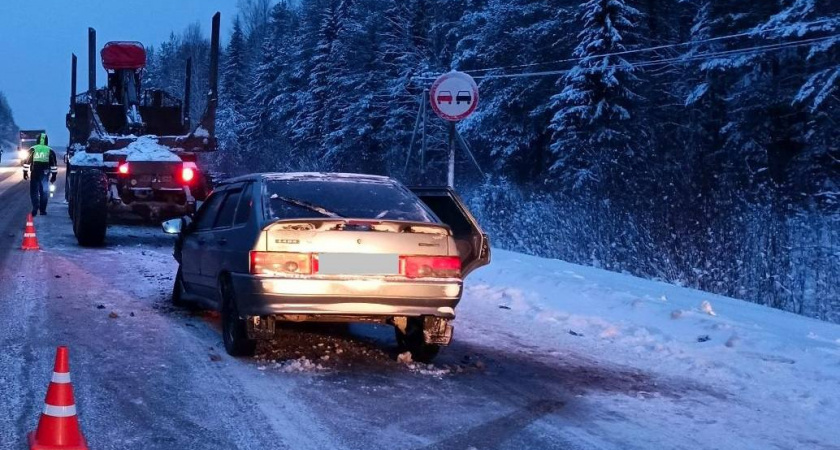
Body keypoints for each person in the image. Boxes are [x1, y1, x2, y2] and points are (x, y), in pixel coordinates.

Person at [22, 133, 58, 216]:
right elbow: (53, 165)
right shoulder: (50, 151)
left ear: (37, 140)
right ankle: (42, 210)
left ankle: (35, 206)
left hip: (35, 172)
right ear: (46, 141)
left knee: (34, 191)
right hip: (45, 174)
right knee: (44, 192)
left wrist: (25, 172)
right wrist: (54, 175)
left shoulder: (33, 149)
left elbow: (27, 162)